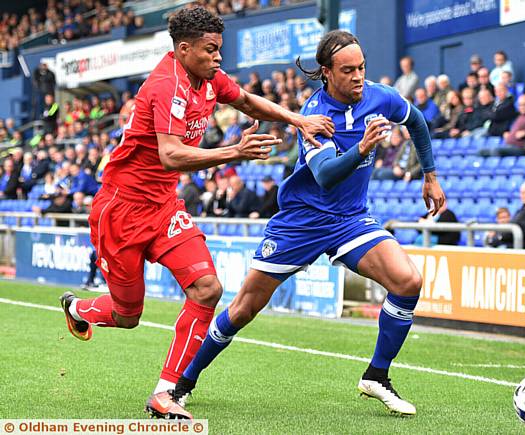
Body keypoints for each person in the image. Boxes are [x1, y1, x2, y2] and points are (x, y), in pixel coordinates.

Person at [57, 6, 333, 420]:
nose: (218, 57)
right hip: (122, 210)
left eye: (219, 48)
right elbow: (169, 155)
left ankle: (167, 392)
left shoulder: (207, 78)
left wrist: (298, 119)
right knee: (126, 314)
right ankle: (78, 308)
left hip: (164, 206)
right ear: (183, 49)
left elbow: (247, 101)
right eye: (210, 49)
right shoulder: (166, 86)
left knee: (207, 289)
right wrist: (234, 152)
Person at [170, 30, 445, 417]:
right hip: (302, 222)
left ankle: (377, 376)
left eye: (362, 67)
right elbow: (327, 176)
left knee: (408, 281)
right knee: (245, 308)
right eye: (348, 70)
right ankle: (184, 383)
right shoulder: (314, 116)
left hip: (350, 220)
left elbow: (416, 120)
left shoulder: (380, 96)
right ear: (327, 73)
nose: (358, 76)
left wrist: (429, 175)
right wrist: (363, 148)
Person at [493, 182, 525, 249]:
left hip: (523, 249)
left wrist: (500, 237)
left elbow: (522, 230)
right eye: (522, 193)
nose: (524, 196)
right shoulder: (523, 208)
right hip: (511, 245)